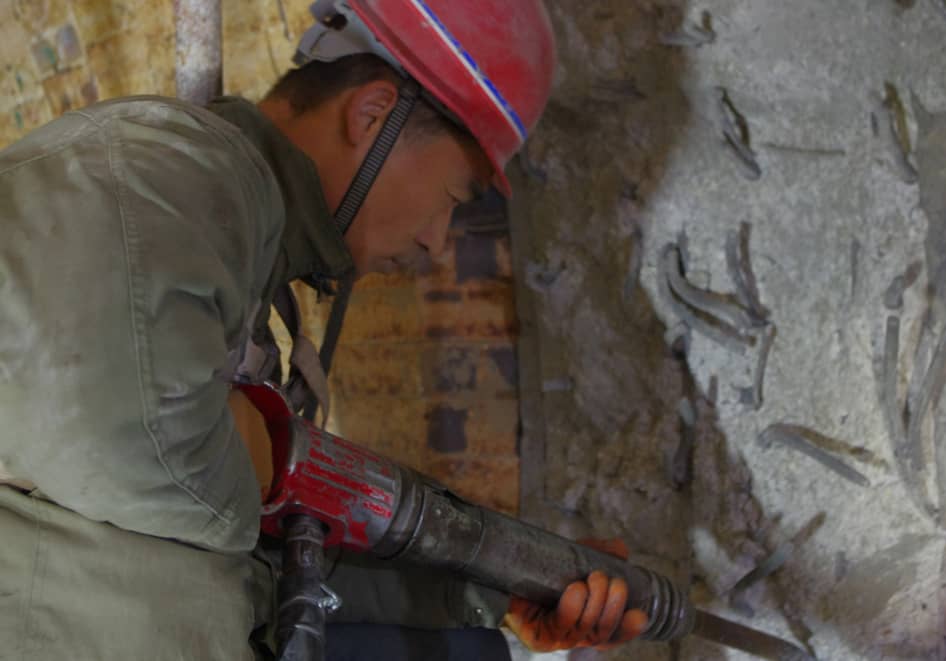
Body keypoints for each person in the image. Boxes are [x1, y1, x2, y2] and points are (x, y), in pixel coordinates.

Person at [0, 1, 647, 658]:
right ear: (371, 115)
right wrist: (271, 458)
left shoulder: (244, 261)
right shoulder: (173, 171)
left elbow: (254, 552)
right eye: (453, 197)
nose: (437, 241)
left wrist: (494, 592)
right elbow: (111, 421)